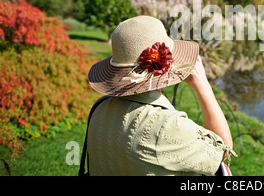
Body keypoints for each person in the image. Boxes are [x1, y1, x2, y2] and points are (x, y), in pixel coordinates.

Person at [86, 15, 236, 175]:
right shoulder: (167, 127)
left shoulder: (99, 109)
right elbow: (222, 151)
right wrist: (203, 86)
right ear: (168, 63)